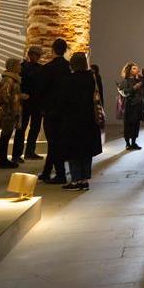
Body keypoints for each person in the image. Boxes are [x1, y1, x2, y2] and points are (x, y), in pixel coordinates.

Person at [59, 53, 103, 191]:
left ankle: (76, 179)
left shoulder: (69, 80)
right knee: (86, 150)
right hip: (89, 118)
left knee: (73, 150)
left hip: (73, 119)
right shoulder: (92, 78)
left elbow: (64, 101)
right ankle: (84, 179)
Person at [40, 38, 71, 184]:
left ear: (53, 50)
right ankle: (47, 172)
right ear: (65, 50)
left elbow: (42, 90)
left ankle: (60, 174)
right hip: (65, 111)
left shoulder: (47, 68)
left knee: (53, 143)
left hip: (51, 111)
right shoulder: (69, 68)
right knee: (58, 142)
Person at [14, 45, 44, 162]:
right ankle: (19, 154)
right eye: (34, 54)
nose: (35, 57)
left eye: (37, 55)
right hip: (28, 102)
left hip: (32, 102)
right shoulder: (25, 67)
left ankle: (28, 152)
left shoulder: (28, 67)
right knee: (22, 129)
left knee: (33, 128)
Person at [0, 58, 26, 169]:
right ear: (13, 66)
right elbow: (5, 95)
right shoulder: (8, 80)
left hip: (12, 110)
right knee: (5, 135)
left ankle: (3, 159)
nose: (20, 67)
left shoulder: (13, 79)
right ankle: (2, 160)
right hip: (8, 111)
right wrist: (19, 97)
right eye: (18, 65)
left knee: (6, 135)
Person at [119, 62, 144, 150]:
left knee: (136, 124)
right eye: (134, 68)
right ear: (129, 71)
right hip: (130, 106)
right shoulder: (125, 81)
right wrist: (134, 87)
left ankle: (134, 143)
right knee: (128, 124)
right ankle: (127, 144)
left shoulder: (139, 80)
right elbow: (124, 93)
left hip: (138, 106)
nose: (137, 70)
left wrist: (142, 77)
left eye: (137, 68)